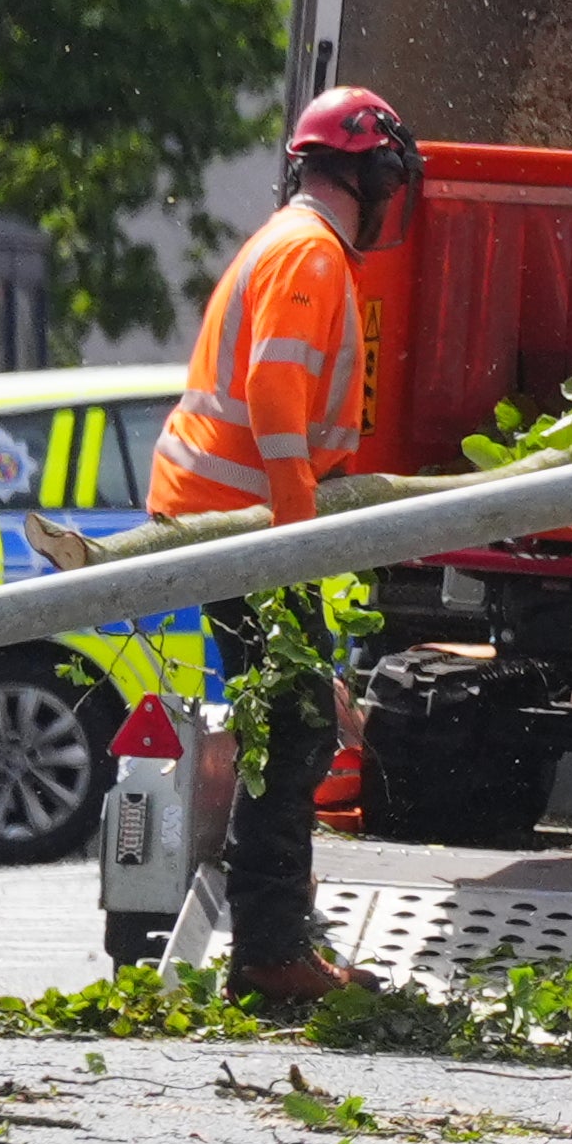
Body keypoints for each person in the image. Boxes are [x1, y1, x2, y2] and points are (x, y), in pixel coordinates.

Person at [146, 84, 420, 1005]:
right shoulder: (310, 252)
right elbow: (272, 393)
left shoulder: (295, 244)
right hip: (242, 520)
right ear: (375, 173)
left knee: (292, 714)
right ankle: (268, 953)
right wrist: (297, 541)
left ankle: (272, 937)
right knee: (294, 720)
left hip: (236, 512)